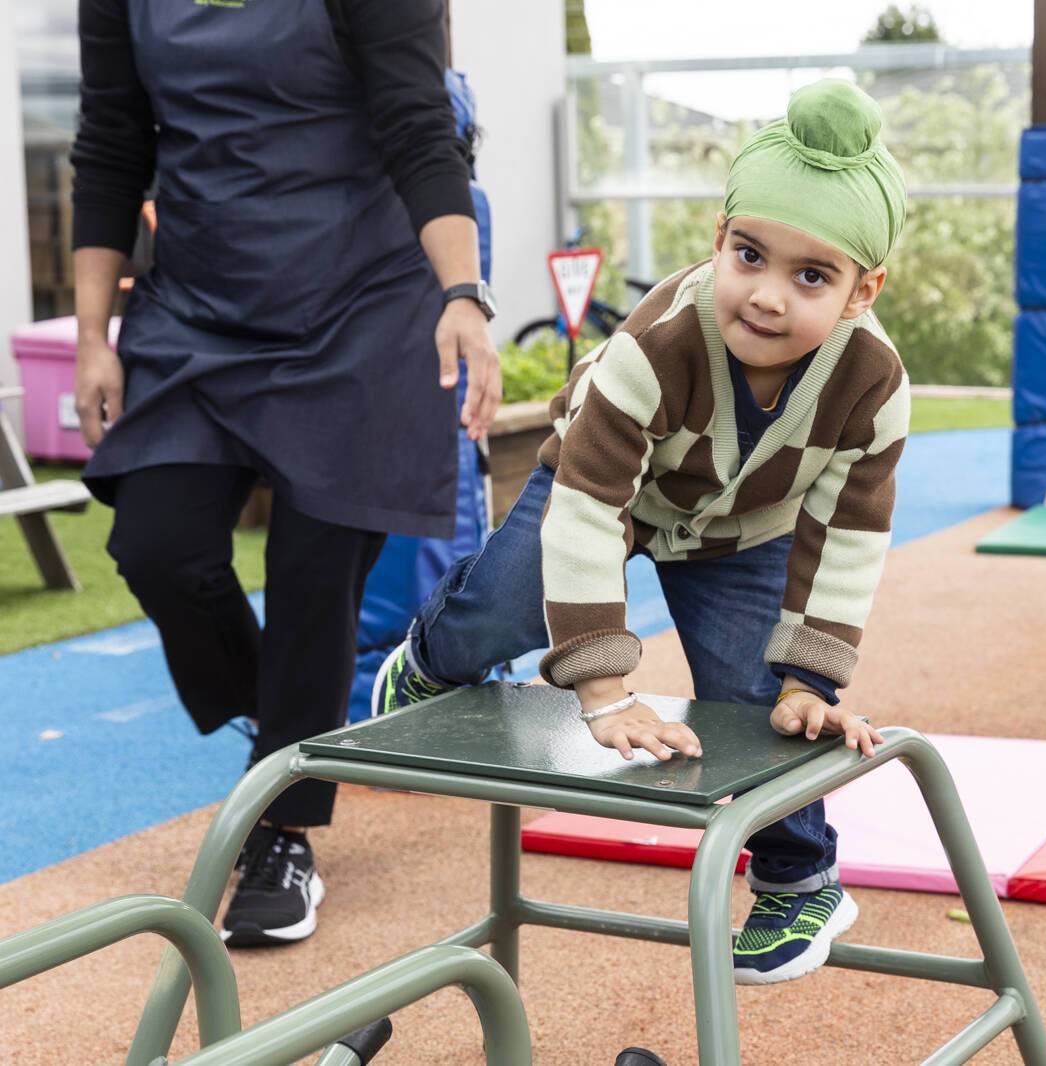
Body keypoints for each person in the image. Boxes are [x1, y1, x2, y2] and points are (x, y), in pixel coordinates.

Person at [374, 78, 909, 985]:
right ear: (719, 239)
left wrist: (810, 678)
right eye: (750, 256)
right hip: (607, 489)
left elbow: (848, 531)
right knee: (510, 601)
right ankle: (432, 653)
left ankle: (800, 881)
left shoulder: (874, 384)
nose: (768, 296)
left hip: (745, 532)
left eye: (811, 276)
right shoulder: (655, 346)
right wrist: (603, 691)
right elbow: (587, 512)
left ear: (863, 291)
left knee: (759, 700)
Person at [70, 0, 501, 946]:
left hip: (362, 304)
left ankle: (283, 833)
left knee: (315, 577)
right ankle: (291, 729)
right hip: (197, 305)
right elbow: (110, 143)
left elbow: (418, 125)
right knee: (158, 546)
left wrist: (464, 296)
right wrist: (93, 334)